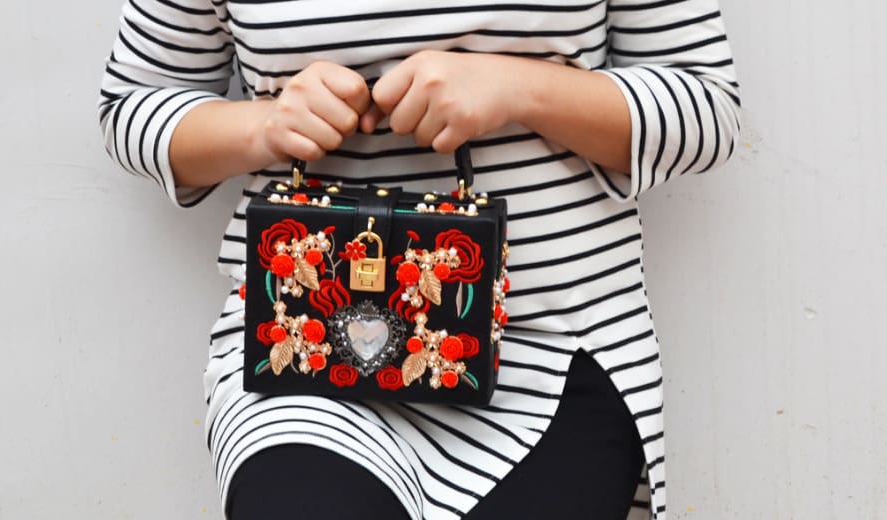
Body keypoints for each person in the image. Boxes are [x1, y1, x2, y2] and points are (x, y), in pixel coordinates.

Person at [98, 1, 740, 518]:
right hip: (303, 353)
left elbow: (706, 107)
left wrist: (521, 88)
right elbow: (132, 104)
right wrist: (264, 127)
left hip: (552, 348)